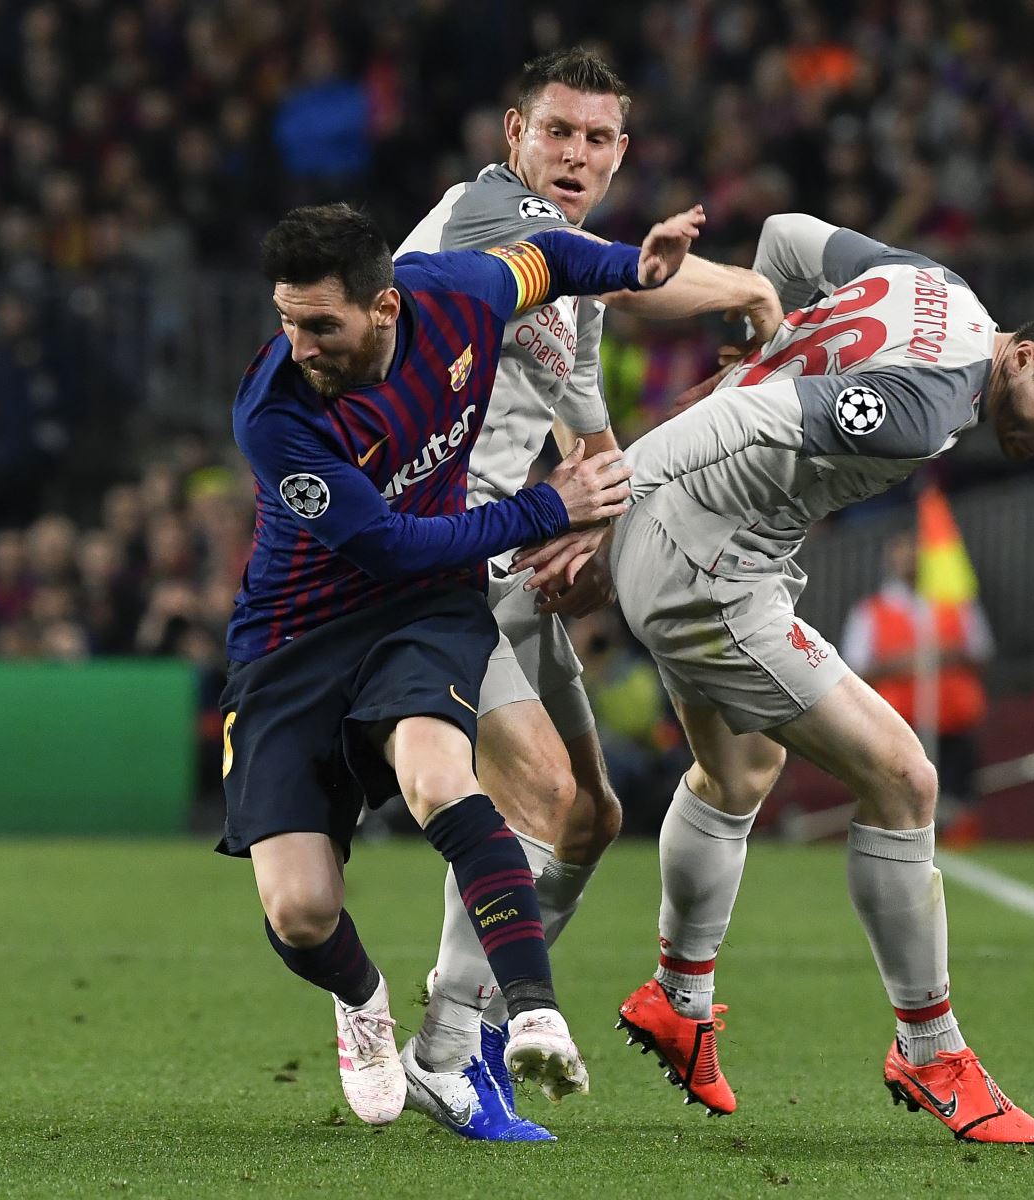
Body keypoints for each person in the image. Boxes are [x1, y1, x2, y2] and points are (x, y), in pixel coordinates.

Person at [517, 212, 1034, 1142]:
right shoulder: (929, 404)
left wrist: (762, 336)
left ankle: (674, 1001)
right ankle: (931, 1051)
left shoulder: (934, 286)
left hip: (720, 546)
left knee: (738, 776)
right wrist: (599, 508)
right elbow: (746, 416)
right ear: (1021, 356)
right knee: (904, 777)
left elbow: (783, 237)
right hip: (709, 569)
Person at [220, 201, 684, 1130]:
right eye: (286, 319)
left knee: (440, 777)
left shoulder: (460, 293)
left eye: (320, 324)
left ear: (385, 308)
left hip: (422, 612)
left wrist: (634, 262)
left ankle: (530, 1015)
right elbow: (387, 543)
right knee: (303, 911)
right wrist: (548, 509)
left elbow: (547, 257)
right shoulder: (274, 415)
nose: (299, 344)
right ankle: (362, 1001)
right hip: (295, 639)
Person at [391, 46, 784, 1141]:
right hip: (424, 556)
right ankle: (447, 1047)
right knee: (544, 797)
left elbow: (597, 450)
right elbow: (637, 275)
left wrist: (714, 415)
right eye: (557, 131)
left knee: (594, 817)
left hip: (503, 552)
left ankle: (454, 1028)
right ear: (513, 133)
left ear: (621, 152)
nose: (574, 153)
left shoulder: (576, 289)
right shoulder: (483, 215)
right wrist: (752, 288)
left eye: (597, 138)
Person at [841, 532, 993, 846]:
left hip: (952, 721)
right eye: (902, 554)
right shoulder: (871, 610)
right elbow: (853, 669)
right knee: (900, 799)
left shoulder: (954, 602)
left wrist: (945, 654)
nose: (909, 562)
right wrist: (902, 663)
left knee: (958, 802)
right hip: (898, 723)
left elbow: (981, 652)